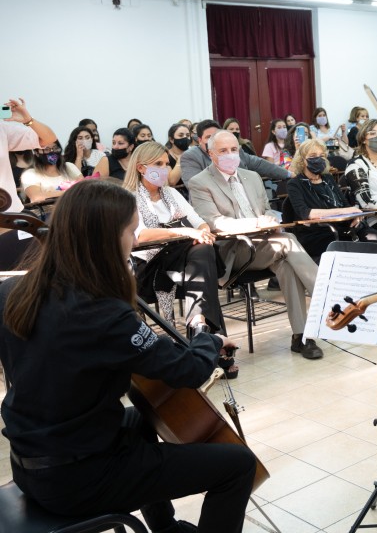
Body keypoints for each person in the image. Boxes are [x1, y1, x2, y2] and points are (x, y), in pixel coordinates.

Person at [0, 179, 256, 533]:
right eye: (131, 231)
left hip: (31, 462)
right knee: (238, 464)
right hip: (77, 481)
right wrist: (208, 338)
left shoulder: (14, 290)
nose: (135, 241)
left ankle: (164, 527)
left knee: (141, 417)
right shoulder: (102, 313)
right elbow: (189, 370)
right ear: (106, 239)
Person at [188, 130, 323, 360]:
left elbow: (265, 209)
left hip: (269, 243)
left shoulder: (252, 176)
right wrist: (256, 222)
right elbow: (214, 223)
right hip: (235, 248)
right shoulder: (199, 182)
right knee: (288, 242)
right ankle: (327, 296)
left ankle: (302, 337)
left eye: (234, 149)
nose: (231, 154)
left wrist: (271, 218)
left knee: (287, 264)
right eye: (223, 151)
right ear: (211, 154)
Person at [125, 141, 228, 346]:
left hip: (181, 262)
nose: (165, 169)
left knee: (202, 253)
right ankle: (209, 337)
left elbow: (199, 222)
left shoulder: (171, 194)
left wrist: (203, 232)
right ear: (141, 168)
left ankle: (201, 327)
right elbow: (141, 235)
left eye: (166, 164)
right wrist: (183, 231)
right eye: (158, 164)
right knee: (203, 261)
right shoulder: (130, 197)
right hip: (149, 265)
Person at [285, 138, 377, 259]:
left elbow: (345, 205)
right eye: (313, 155)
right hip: (317, 233)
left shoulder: (328, 178)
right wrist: (345, 212)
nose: (318, 159)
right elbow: (306, 213)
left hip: (341, 228)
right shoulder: (294, 184)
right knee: (351, 244)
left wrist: (355, 216)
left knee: (373, 236)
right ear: (302, 160)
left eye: (322, 155)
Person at [179, 119, 290, 189]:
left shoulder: (234, 150)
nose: (213, 140)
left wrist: (289, 174)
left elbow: (260, 164)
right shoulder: (191, 156)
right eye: (209, 137)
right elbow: (194, 185)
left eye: (216, 135)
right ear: (199, 140)